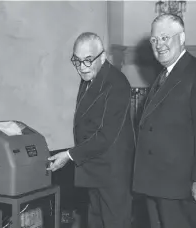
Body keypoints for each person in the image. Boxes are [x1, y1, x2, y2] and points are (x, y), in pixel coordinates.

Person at [132, 13, 196, 228]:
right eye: (154, 40)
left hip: (181, 187)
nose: (159, 45)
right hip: (156, 183)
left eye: (165, 37)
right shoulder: (164, 75)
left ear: (182, 38)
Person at [47, 32, 135, 228]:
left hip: (112, 175)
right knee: (95, 222)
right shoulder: (90, 77)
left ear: (102, 57)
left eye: (88, 60)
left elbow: (105, 136)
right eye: (77, 61)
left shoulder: (117, 83)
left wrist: (69, 155)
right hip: (93, 169)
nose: (82, 67)